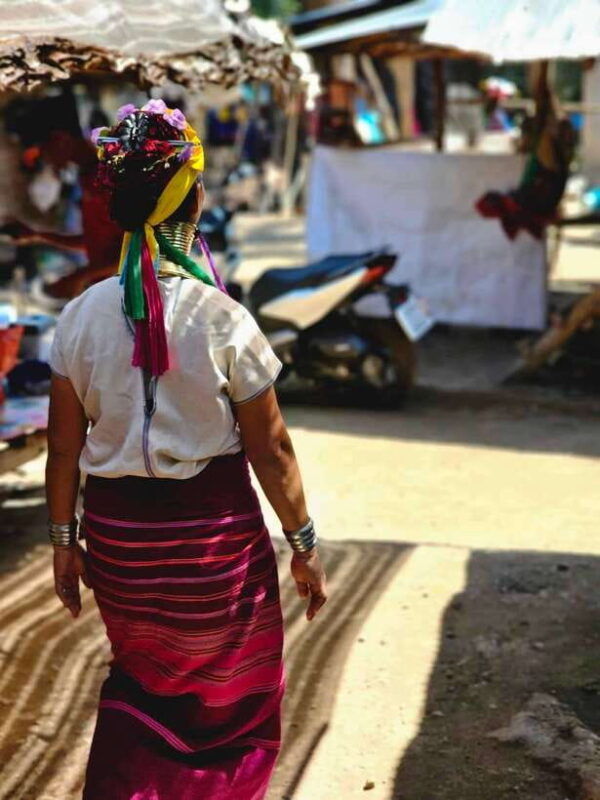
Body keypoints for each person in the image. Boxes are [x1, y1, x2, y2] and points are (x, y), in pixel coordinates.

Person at [45, 100, 327, 800]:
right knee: (233, 701)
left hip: (123, 546)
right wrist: (304, 543)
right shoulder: (221, 318)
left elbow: (61, 450)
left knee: (142, 685)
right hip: (211, 549)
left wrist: (62, 542)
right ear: (190, 200)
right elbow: (274, 451)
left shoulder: (80, 316)